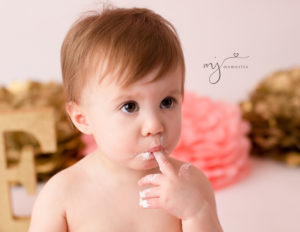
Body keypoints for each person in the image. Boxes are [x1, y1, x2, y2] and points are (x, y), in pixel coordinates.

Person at [29, 6, 223, 232]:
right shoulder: (62, 194)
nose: (154, 125)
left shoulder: (190, 184)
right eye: (129, 106)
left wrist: (196, 213)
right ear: (83, 118)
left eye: (167, 102)